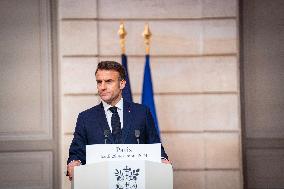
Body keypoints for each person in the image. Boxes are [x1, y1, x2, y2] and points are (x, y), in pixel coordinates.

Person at [66, 61, 169, 180]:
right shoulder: (86, 118)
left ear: (122, 84)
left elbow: (155, 146)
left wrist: (163, 160)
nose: (102, 87)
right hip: (99, 182)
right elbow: (76, 152)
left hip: (136, 181)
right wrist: (74, 162)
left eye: (109, 81)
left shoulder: (142, 113)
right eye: (99, 82)